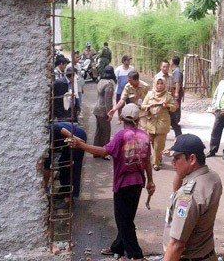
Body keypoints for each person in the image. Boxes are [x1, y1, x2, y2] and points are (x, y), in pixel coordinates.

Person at [71, 104, 156, 261]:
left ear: (121, 118)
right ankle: (118, 247)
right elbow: (147, 162)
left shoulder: (121, 136)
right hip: (138, 184)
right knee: (127, 217)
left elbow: (103, 151)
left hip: (123, 183)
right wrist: (150, 181)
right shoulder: (145, 136)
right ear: (138, 119)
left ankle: (136, 255)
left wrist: (81, 145)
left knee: (124, 221)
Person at [162, 134, 222, 261]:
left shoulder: (188, 197)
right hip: (207, 253)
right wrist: (180, 168)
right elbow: (176, 189)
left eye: (177, 158)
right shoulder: (212, 177)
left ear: (192, 159)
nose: (172, 163)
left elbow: (177, 245)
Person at [44, 122, 86, 209]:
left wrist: (74, 138)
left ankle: (69, 199)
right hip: (67, 139)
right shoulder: (44, 148)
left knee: (73, 167)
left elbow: (57, 127)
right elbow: (47, 167)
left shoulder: (44, 132)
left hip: (76, 135)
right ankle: (64, 190)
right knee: (63, 163)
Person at [141, 77, 176, 171]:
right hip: (151, 122)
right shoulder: (149, 94)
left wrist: (167, 106)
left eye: (161, 83)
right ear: (155, 84)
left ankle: (155, 163)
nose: (159, 85)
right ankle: (159, 158)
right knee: (153, 142)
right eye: (158, 83)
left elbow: (174, 107)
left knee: (158, 144)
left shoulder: (167, 95)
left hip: (162, 123)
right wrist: (148, 106)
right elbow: (142, 106)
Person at [93, 66, 116, 160]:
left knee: (99, 131)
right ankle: (104, 152)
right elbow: (108, 101)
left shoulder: (100, 81)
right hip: (103, 111)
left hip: (97, 109)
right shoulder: (109, 84)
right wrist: (109, 114)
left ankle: (95, 151)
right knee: (106, 132)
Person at [114, 55, 135, 124]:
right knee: (120, 106)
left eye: (129, 60)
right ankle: (120, 118)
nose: (129, 61)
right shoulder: (118, 69)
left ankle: (130, 119)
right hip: (120, 90)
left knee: (130, 105)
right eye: (127, 60)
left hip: (130, 91)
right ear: (123, 61)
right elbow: (115, 79)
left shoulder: (132, 69)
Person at [170, 55, 183, 137]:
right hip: (175, 90)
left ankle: (176, 121)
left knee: (176, 105)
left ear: (172, 61)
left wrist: (176, 92)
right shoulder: (175, 70)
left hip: (176, 90)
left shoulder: (177, 71)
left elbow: (177, 82)